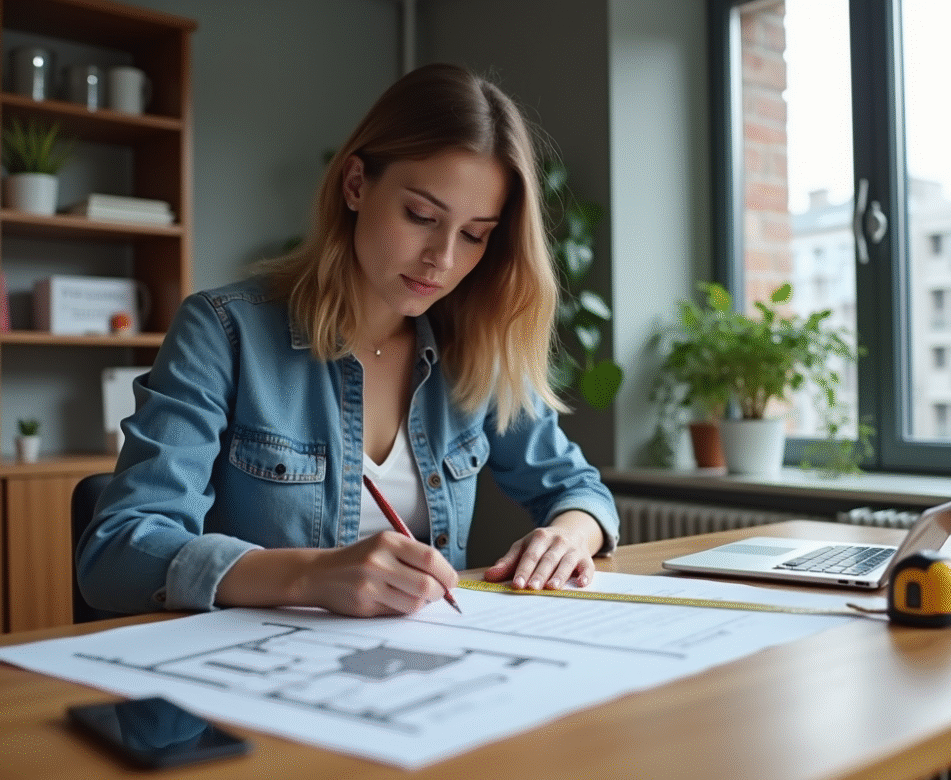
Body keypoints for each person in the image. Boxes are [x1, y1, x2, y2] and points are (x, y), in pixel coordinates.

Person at [77, 63, 620, 618]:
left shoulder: (475, 346)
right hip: (255, 676)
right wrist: (310, 575)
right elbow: (117, 555)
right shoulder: (223, 332)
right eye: (421, 215)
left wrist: (571, 535)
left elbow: (578, 490)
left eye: (475, 234)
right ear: (356, 184)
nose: (444, 258)